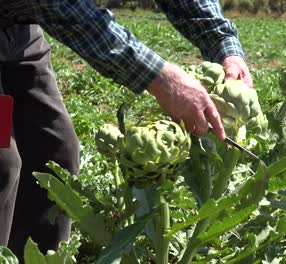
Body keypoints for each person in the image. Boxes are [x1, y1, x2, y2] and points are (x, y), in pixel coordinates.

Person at [0, 0, 253, 259]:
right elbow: (63, 7)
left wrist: (224, 44)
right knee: (3, 162)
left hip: (19, 35)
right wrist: (161, 79)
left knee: (55, 152)